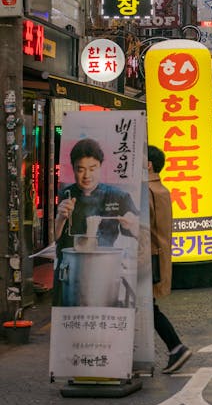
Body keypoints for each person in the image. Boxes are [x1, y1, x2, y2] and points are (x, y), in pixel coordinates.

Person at [54, 137, 140, 265]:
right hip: (69, 266)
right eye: (81, 169)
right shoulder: (63, 195)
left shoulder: (118, 196)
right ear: (73, 169)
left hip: (104, 265)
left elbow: (141, 235)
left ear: (100, 166)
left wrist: (133, 224)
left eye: (92, 169)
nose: (87, 175)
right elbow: (51, 240)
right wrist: (60, 218)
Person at [148, 145, 192, 374]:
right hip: (159, 255)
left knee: (147, 308)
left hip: (147, 259)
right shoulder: (162, 189)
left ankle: (176, 346)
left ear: (148, 165)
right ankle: (174, 347)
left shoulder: (146, 191)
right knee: (147, 307)